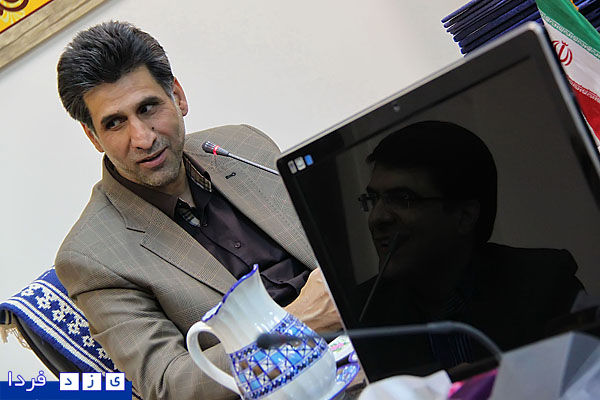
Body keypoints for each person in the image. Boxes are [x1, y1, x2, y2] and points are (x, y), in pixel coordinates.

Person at [54, 21, 340, 400]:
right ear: (93, 136)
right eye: (115, 123)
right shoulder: (91, 257)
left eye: (148, 108)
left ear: (177, 96)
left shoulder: (243, 143)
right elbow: (170, 384)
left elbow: (341, 238)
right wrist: (301, 322)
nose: (142, 138)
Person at [358, 121, 584, 375]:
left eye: (403, 199)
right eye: (373, 199)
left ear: (465, 216)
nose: (377, 218)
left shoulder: (543, 283)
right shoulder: (361, 316)